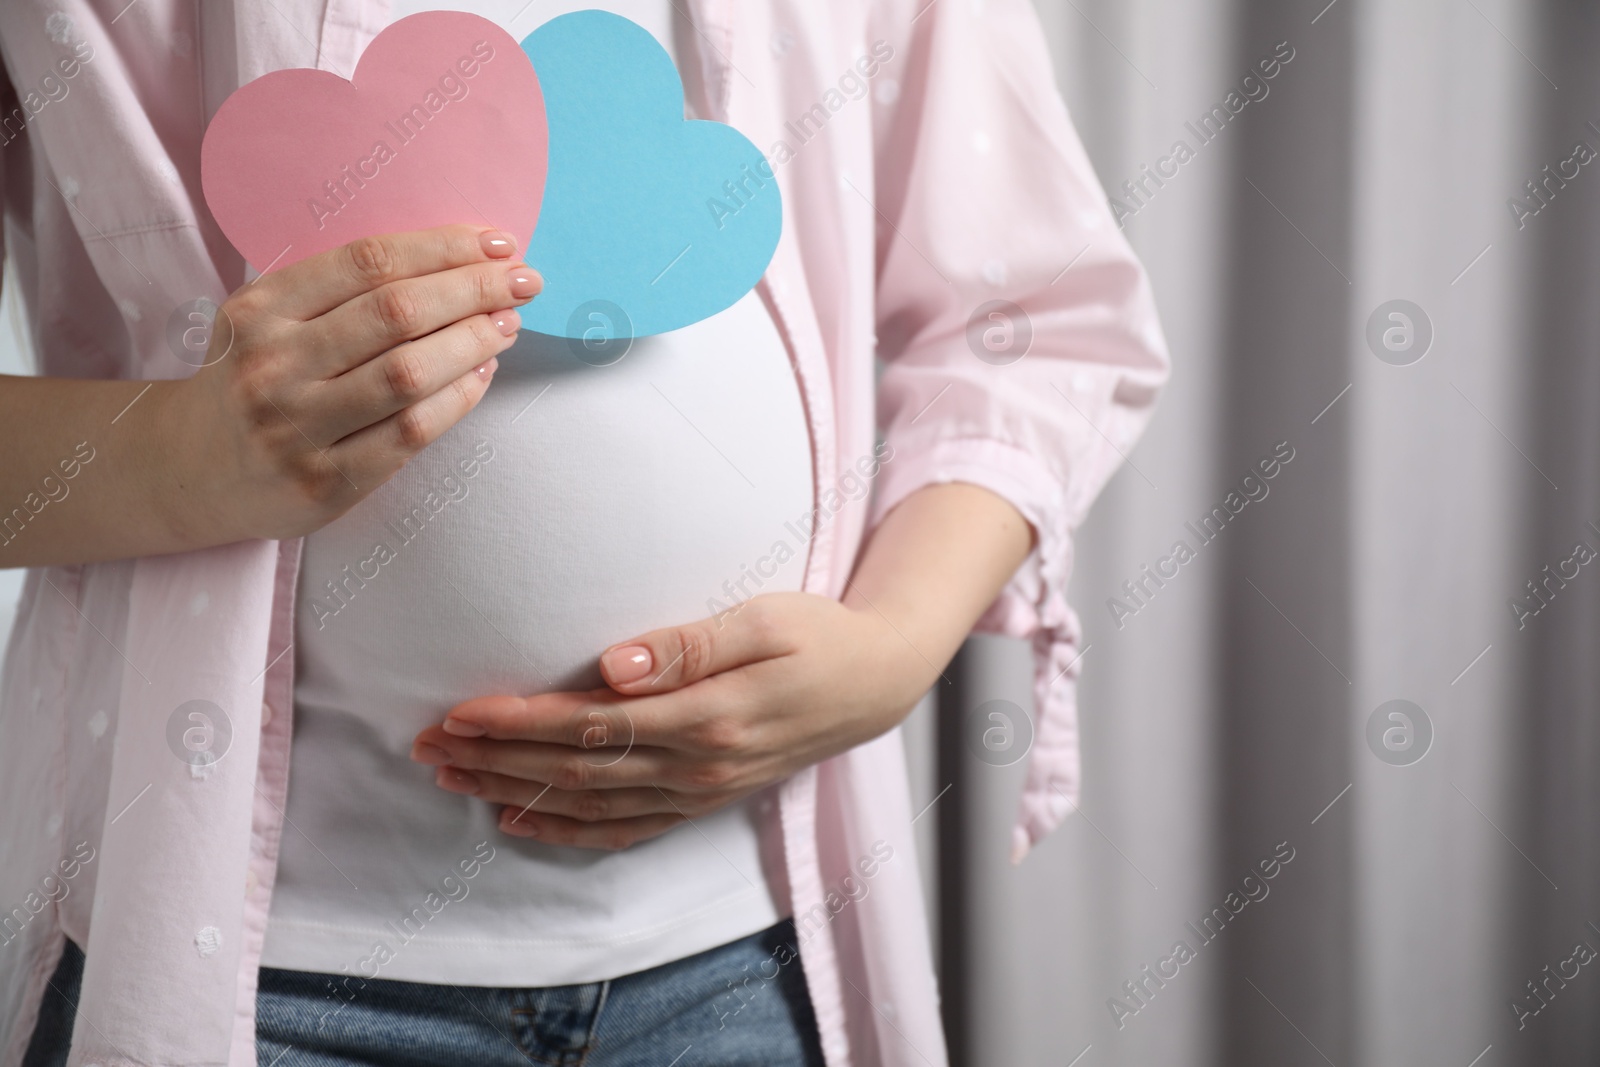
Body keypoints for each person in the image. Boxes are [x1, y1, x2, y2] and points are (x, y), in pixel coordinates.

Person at [0, 1, 1168, 1065]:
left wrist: (896, 646)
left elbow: (1024, 323)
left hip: (751, 959)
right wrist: (187, 449)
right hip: (254, 988)